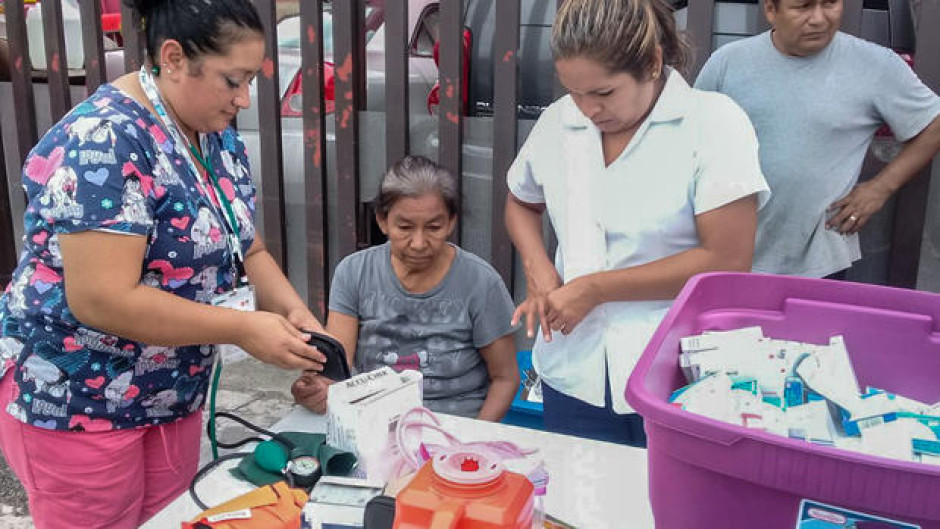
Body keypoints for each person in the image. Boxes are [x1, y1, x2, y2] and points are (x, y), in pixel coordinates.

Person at [0, 0, 329, 527]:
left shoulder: (210, 131)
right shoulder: (103, 140)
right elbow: (103, 297)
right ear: (173, 58)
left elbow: (249, 248)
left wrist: (298, 319)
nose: (244, 99)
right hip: (78, 401)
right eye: (233, 80)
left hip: (170, 391)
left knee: (169, 518)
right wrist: (243, 328)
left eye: (251, 81)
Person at [504, 0, 770, 446]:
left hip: (678, 373)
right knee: (578, 507)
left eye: (604, 94)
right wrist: (537, 268)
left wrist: (594, 288)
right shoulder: (558, 123)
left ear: (651, 62)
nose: (588, 109)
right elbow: (520, 202)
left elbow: (726, 258)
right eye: (575, 93)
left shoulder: (714, 123)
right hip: (573, 370)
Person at [695, 0, 940, 279]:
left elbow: (934, 123)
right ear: (771, 10)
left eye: (830, 4)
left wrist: (880, 188)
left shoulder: (875, 65)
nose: (819, 19)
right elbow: (692, 139)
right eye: (803, 7)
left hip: (817, 257)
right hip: (728, 248)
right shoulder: (728, 62)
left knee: (807, 324)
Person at [291, 156, 520, 421]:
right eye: (405, 227)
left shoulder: (481, 282)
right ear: (382, 221)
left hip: (455, 424)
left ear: (451, 222)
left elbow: (505, 378)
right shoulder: (353, 272)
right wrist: (315, 391)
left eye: (434, 227)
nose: (419, 243)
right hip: (373, 421)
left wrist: (471, 440)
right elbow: (336, 375)